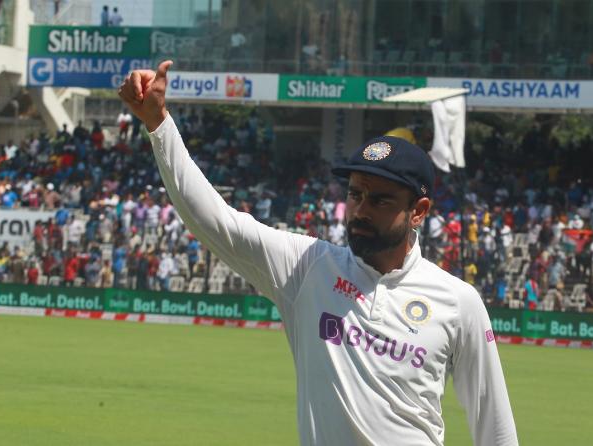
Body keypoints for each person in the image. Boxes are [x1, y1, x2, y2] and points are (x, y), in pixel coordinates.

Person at [118, 60, 518, 446]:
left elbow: (495, 425)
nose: (360, 209)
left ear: (418, 211)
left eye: (379, 200)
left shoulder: (459, 301)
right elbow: (214, 220)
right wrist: (159, 124)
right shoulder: (308, 266)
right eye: (355, 194)